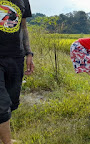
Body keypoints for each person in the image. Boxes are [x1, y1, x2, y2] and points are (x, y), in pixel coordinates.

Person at [0, 0, 33, 143]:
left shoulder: (23, 0)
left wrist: (29, 53)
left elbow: (23, 28)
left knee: (12, 102)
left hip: (16, 56)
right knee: (2, 103)